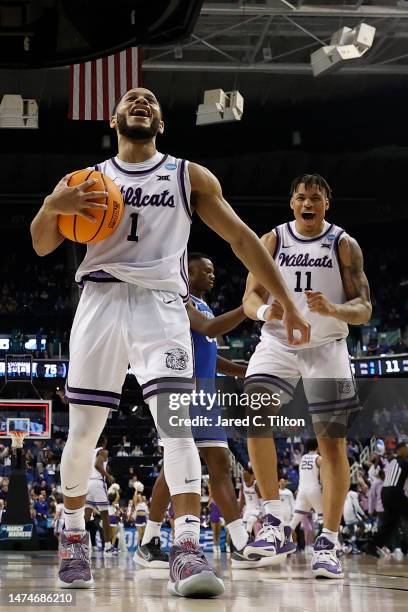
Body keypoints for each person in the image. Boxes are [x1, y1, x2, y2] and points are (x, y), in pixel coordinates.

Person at [30, 87, 309, 597]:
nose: (140, 101)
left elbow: (243, 239)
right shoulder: (86, 180)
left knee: (176, 430)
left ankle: (186, 547)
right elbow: (42, 242)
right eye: (130, 99)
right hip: (101, 303)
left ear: (161, 123)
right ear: (113, 118)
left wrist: (288, 303)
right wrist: (54, 204)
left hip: (163, 308)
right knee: (84, 432)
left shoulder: (188, 175)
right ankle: (72, 537)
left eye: (151, 100)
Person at [243, 174, 372, 579]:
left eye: (315, 197)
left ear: (326, 204)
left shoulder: (343, 245)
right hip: (278, 344)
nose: (308, 202)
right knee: (253, 413)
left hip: (326, 348)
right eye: (301, 197)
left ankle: (328, 543)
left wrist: (334, 310)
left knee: (331, 445)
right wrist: (267, 313)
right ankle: (274, 519)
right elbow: (250, 299)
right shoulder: (273, 241)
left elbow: (365, 308)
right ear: (292, 203)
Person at [135, 253, 262, 570]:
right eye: (205, 270)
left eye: (213, 271)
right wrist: (247, 310)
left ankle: (240, 542)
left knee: (218, 463)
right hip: (181, 392)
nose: (212, 275)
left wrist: (237, 370)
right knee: (174, 466)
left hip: (206, 395)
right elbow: (207, 330)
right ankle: (150, 540)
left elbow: (209, 351)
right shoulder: (179, 301)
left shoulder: (204, 306)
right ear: (187, 273)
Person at [364, 442, 408, 557]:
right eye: (406, 448)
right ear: (400, 450)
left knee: (389, 525)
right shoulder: (403, 462)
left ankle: (371, 545)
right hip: (395, 493)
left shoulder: (392, 461)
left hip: (386, 493)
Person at [84, 435, 115, 555]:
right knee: (105, 517)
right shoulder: (103, 451)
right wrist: (109, 476)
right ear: (104, 442)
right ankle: (108, 547)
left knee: (85, 518)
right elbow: (97, 464)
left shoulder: (90, 452)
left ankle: (75, 544)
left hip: (88, 483)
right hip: (97, 483)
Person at [290, 440, 323, 535]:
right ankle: (333, 544)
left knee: (294, 522)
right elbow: (323, 477)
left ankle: (281, 542)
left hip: (302, 491)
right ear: (318, 447)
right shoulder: (319, 459)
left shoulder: (302, 458)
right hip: (314, 490)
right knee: (324, 518)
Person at [239, 468, 262, 537]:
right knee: (243, 527)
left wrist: (263, 513)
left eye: (245, 474)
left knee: (250, 521)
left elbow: (262, 500)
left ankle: (249, 539)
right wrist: (238, 512)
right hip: (248, 510)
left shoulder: (256, 485)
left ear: (251, 475)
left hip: (257, 510)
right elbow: (242, 501)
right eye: (243, 475)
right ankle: (248, 541)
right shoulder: (242, 486)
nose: (244, 476)